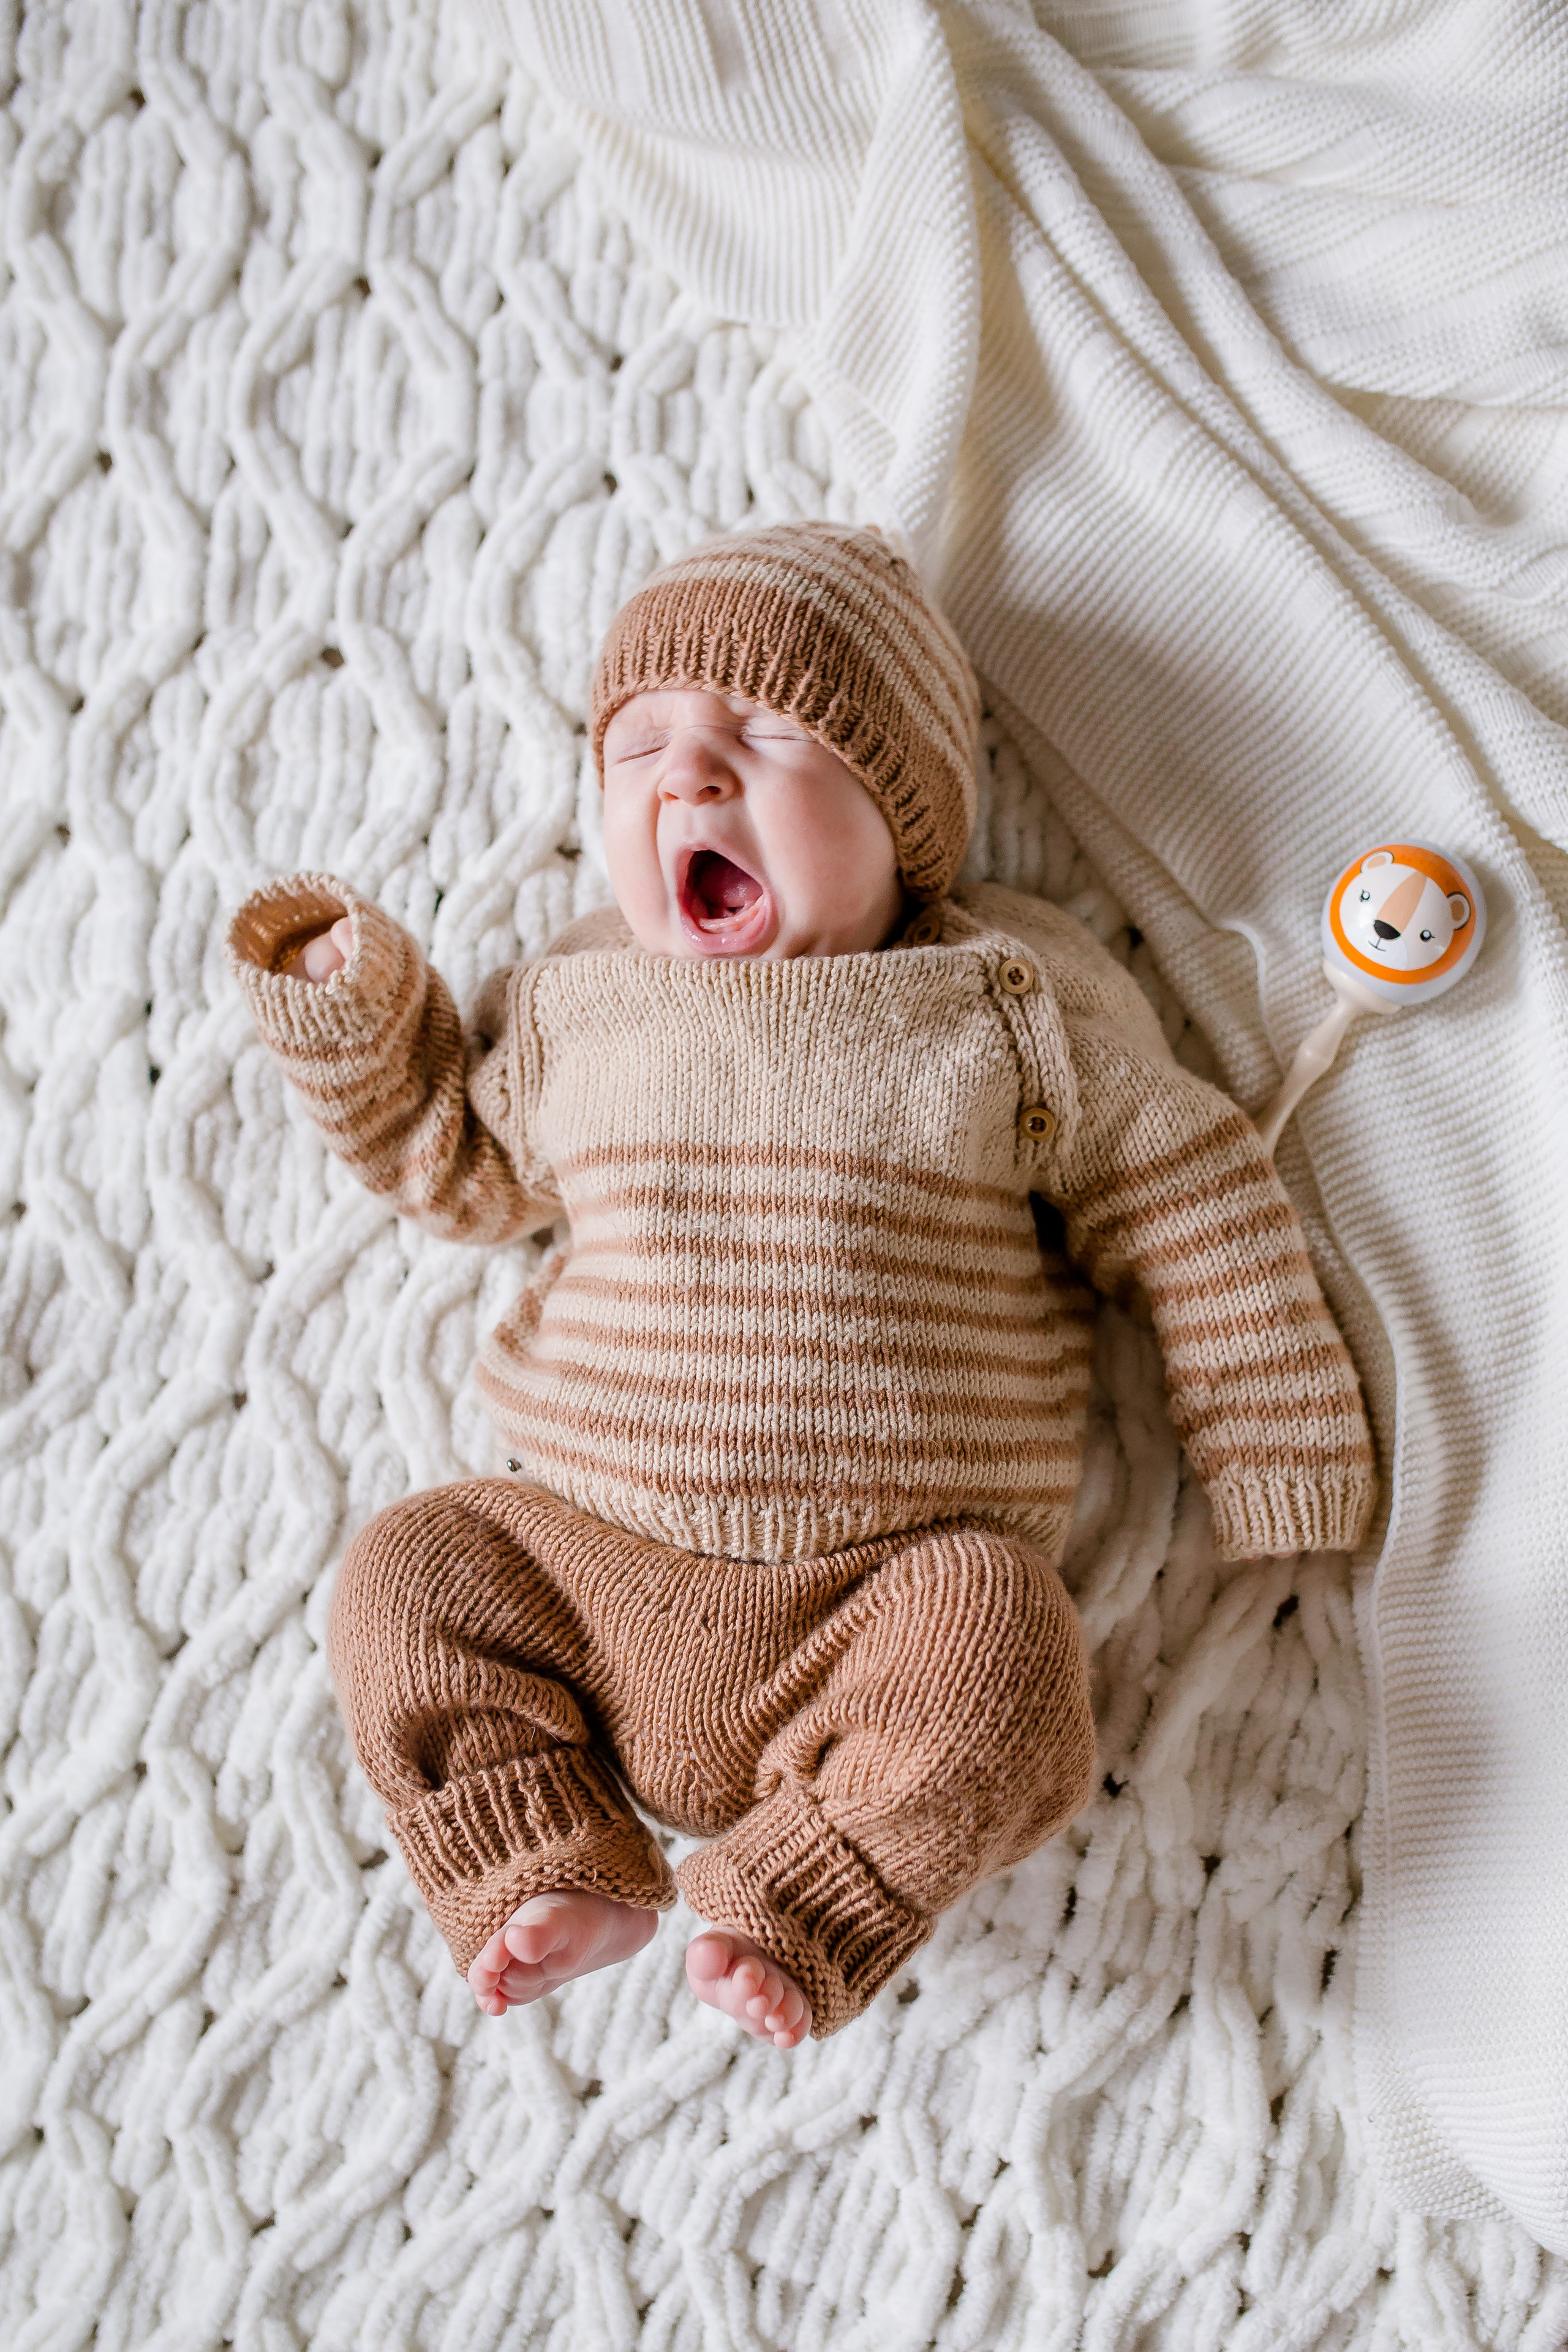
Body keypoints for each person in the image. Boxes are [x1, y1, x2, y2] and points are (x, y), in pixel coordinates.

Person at [227, 522, 1375, 2048]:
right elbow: (457, 1166)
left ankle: (805, 1892)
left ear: (908, 820)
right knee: (408, 1570)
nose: (688, 778)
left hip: (881, 1605)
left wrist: (1276, 1447)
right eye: (639, 748)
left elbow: (1185, 1189)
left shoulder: (996, 999)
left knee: (1004, 1642)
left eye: (769, 736)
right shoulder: (583, 1002)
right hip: (582, 1565)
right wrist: (357, 1022)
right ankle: (541, 1856)